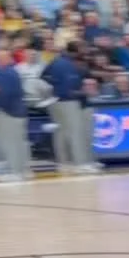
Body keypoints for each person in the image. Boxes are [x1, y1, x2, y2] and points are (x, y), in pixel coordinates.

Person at [42, 41, 85, 172]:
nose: (84, 50)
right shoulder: (67, 64)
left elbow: (43, 76)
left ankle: (63, 162)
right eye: (82, 48)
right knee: (75, 132)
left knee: (60, 132)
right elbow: (69, 87)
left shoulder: (56, 61)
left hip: (55, 100)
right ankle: (79, 164)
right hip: (68, 101)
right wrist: (72, 91)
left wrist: (55, 85)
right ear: (75, 50)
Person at [0, 49, 31, 182]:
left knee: (11, 143)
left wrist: (0, 108)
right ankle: (24, 170)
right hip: (19, 111)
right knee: (20, 142)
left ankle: (15, 172)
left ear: (5, 59)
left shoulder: (4, 73)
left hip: (9, 112)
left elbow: (5, 94)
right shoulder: (14, 72)